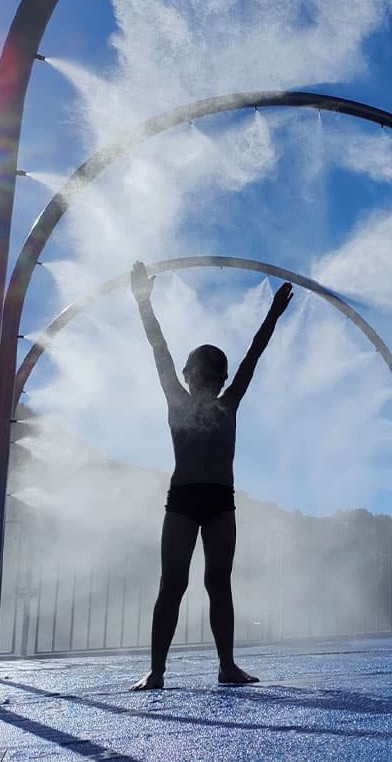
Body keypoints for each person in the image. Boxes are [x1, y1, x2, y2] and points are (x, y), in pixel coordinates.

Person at [128, 261, 293, 691]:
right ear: (188, 377)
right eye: (199, 376)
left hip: (219, 501)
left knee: (218, 582)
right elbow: (158, 347)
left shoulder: (228, 403)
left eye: (212, 378)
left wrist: (273, 314)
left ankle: (226, 665)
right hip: (183, 499)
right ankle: (157, 670)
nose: (205, 384)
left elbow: (253, 357)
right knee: (174, 583)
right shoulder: (178, 399)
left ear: (218, 381)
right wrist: (143, 302)